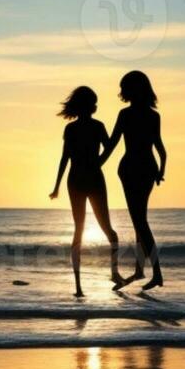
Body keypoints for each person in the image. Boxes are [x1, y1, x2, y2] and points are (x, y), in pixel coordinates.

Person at [49, 86, 126, 297]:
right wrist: (99, 162)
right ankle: (108, 274)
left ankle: (81, 286)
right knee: (106, 229)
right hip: (89, 178)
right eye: (93, 102)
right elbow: (109, 146)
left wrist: (57, 186)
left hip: (76, 179)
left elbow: (65, 158)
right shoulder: (92, 127)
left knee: (82, 230)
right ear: (88, 106)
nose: (95, 106)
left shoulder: (73, 129)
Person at [101, 71, 166, 291]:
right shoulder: (153, 115)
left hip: (131, 169)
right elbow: (161, 149)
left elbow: (112, 144)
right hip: (148, 168)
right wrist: (161, 170)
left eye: (125, 88)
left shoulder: (126, 114)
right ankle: (140, 270)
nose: (122, 93)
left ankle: (157, 273)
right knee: (140, 219)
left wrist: (97, 163)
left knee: (140, 221)